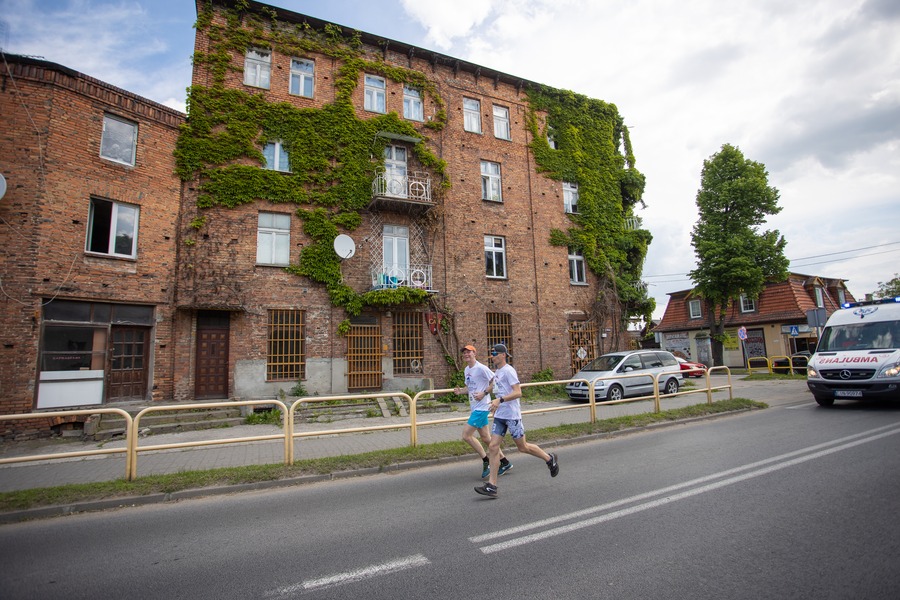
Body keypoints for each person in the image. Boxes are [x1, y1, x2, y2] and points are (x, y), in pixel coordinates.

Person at [475, 343, 559, 499]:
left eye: (495, 353)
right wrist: (486, 395)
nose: (492, 356)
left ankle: (549, 458)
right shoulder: (498, 372)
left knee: (523, 447)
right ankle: (492, 486)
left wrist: (500, 400)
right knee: (493, 447)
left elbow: (518, 392)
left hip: (512, 416)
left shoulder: (509, 371)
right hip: (500, 416)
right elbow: (494, 385)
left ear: (503, 355)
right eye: (492, 353)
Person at [453, 345, 512, 479]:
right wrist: (460, 391)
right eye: (464, 353)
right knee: (486, 438)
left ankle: (486, 460)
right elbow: (469, 387)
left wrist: (484, 393)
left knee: (466, 435)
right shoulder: (467, 369)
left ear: (474, 353)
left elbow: (495, 381)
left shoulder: (481, 368)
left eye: (469, 352)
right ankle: (505, 462)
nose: (466, 354)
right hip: (475, 407)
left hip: (482, 407)